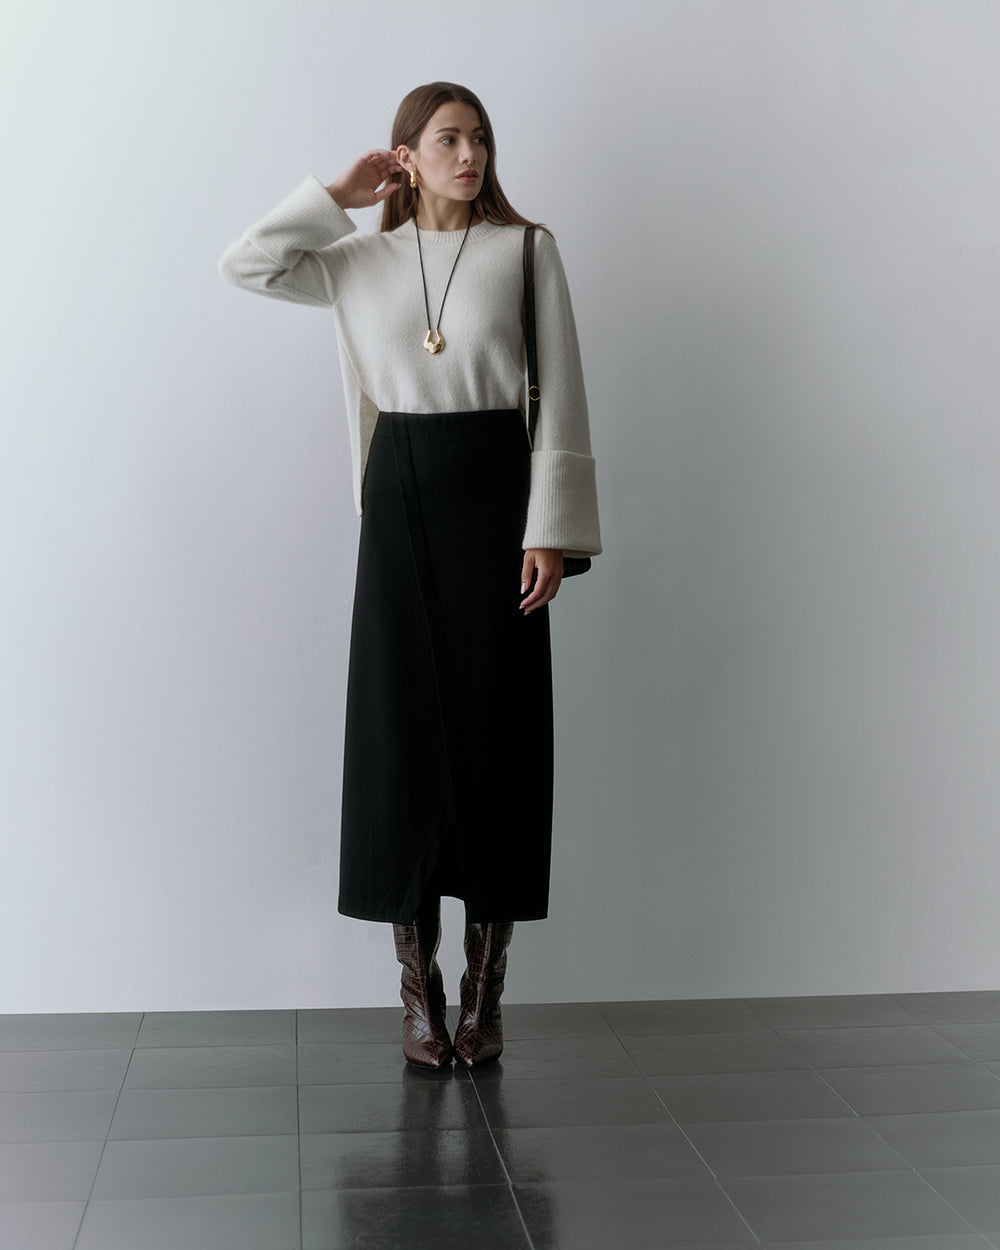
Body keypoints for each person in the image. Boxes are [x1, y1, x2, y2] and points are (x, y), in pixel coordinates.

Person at [218, 82, 601, 1069]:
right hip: (398, 501)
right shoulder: (355, 260)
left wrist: (550, 528)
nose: (469, 154)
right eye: (446, 139)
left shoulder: (525, 252)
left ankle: (485, 992)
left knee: (498, 734)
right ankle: (416, 990)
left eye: (479, 138)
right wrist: (337, 195)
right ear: (405, 154)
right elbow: (248, 265)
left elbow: (558, 388)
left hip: (494, 491)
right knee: (401, 734)